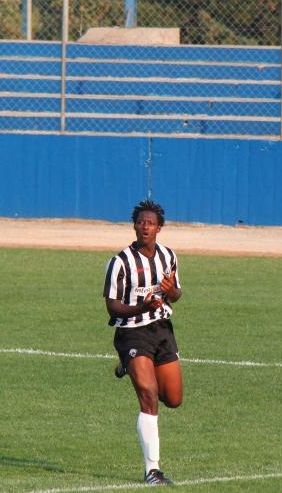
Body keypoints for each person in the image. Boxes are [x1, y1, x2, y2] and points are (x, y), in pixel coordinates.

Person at [103, 199, 183, 485]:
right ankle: (152, 470)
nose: (144, 227)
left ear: (159, 228)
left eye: (150, 223)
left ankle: (131, 366)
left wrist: (171, 291)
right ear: (134, 226)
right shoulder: (120, 262)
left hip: (162, 330)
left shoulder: (169, 256)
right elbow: (112, 307)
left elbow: (176, 295)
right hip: (132, 332)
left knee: (173, 399)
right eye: (140, 222)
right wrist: (141, 308)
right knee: (148, 396)